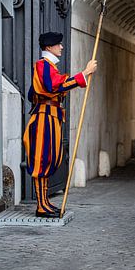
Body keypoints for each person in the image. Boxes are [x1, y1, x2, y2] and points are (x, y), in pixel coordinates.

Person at [23, 31, 97, 218]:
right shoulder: (43, 65)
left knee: (49, 159)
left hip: (51, 117)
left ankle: (45, 202)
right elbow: (53, 86)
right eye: (58, 44)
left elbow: (37, 92)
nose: (61, 47)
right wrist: (84, 73)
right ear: (49, 47)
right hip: (44, 118)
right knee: (42, 160)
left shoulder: (49, 67)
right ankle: (41, 206)